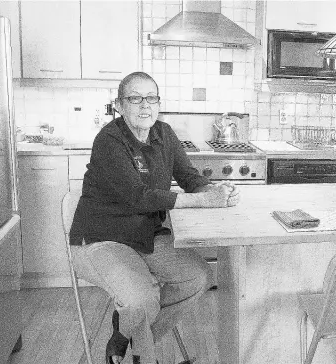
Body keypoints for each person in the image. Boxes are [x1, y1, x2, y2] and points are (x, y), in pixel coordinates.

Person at [68, 71, 240, 364]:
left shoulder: (164, 133)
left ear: (158, 103)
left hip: (146, 236)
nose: (144, 105)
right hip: (101, 239)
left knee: (198, 277)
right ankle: (140, 349)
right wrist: (201, 201)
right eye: (135, 98)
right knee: (140, 299)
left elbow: (187, 176)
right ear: (120, 106)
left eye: (151, 97)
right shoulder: (109, 140)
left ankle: (129, 338)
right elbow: (138, 196)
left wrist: (213, 189)